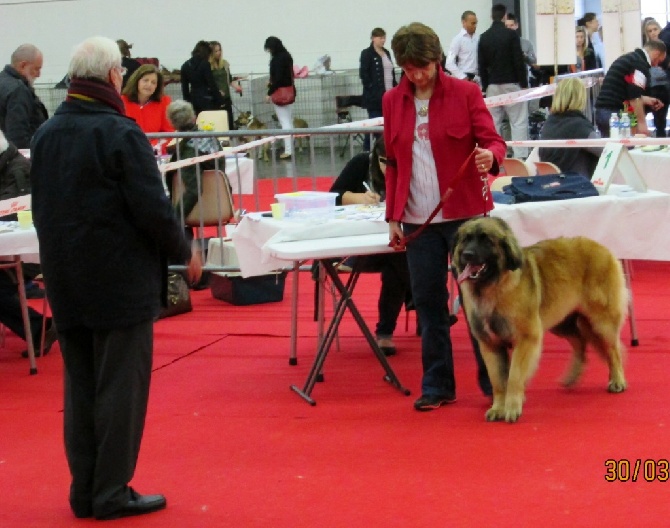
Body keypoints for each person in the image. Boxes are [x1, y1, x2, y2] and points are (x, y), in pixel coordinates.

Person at [29, 36, 202, 520]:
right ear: (111, 77)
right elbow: (153, 209)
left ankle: (84, 491)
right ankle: (110, 491)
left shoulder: (46, 134)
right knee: (120, 391)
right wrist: (182, 251)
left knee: (81, 387)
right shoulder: (120, 133)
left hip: (66, 280)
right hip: (118, 282)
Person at [383, 22, 506, 411]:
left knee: (477, 303)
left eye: (423, 66)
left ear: (438, 59)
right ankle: (437, 385)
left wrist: (491, 156)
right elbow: (392, 164)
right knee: (429, 305)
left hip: (466, 221)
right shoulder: (391, 102)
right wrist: (392, 216)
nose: (417, 75)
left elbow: (493, 140)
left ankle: (493, 384)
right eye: (408, 68)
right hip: (418, 222)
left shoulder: (466, 93)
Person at [328, 136, 410, 355]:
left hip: (396, 245)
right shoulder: (361, 163)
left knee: (399, 257)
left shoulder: (414, 167)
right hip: (359, 246)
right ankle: (419, 301)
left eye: (395, 163)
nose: (388, 169)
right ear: (375, 156)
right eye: (384, 162)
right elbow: (332, 197)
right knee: (403, 261)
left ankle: (385, 332)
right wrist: (356, 198)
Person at [478, 4, 529, 158]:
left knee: (493, 124)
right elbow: (518, 61)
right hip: (512, 84)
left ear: (491, 16)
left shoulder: (484, 37)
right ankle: (520, 158)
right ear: (505, 16)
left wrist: (486, 86)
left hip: (493, 85)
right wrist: (524, 83)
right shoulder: (511, 35)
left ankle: (496, 157)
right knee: (518, 122)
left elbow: (481, 65)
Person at [594, 40, 667, 138]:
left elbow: (626, 90)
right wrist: (642, 123)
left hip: (604, 112)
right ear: (656, 53)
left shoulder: (631, 58)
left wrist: (646, 100)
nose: (656, 65)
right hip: (614, 113)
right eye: (659, 61)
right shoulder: (639, 64)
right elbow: (634, 96)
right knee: (625, 149)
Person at [165, 99, 223, 221]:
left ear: (172, 124)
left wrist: (172, 222)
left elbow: (193, 190)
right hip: (221, 204)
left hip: (192, 212)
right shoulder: (211, 138)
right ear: (194, 117)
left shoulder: (188, 150)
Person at [539, 78, 603, 178]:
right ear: (579, 97)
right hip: (576, 184)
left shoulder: (549, 123)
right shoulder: (579, 126)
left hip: (549, 183)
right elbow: (605, 150)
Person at [0, 44, 48, 149]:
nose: (38, 74)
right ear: (23, 65)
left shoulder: (2, 81)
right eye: (36, 69)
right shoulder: (18, 90)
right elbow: (18, 135)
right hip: (20, 158)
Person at [121, 64, 174, 153]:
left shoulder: (164, 102)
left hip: (155, 153)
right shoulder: (122, 101)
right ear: (137, 81)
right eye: (145, 80)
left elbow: (169, 132)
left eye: (153, 82)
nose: (149, 85)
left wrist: (153, 145)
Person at [359, 28, 397, 150]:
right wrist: (371, 89)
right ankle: (367, 150)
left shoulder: (386, 52)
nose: (383, 40)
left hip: (389, 94)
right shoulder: (367, 53)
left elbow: (391, 72)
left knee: (387, 124)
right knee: (375, 124)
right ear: (373, 38)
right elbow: (364, 74)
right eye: (380, 38)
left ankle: (385, 149)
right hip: (375, 98)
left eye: (384, 38)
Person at [264, 36, 295, 160]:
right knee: (289, 121)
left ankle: (288, 150)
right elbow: (288, 76)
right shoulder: (287, 56)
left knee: (284, 122)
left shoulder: (276, 60)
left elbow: (277, 79)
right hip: (289, 92)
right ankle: (291, 147)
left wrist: (269, 92)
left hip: (279, 94)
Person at [181, 41, 225, 116]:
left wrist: (188, 103)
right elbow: (211, 84)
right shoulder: (205, 64)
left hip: (193, 100)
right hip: (207, 101)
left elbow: (185, 89)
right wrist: (220, 100)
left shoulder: (185, 66)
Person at [643, 19, 669, 138]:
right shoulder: (644, 51)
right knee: (659, 119)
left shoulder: (666, 46)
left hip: (666, 83)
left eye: (655, 29)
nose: (653, 33)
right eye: (650, 31)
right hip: (654, 87)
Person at [209, 41, 243, 132]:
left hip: (226, 97)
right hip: (215, 99)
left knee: (229, 123)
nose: (219, 53)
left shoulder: (224, 64)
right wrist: (217, 91)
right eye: (216, 51)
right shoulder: (208, 66)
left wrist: (236, 87)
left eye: (219, 50)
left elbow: (229, 79)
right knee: (219, 124)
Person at [445, 11, 480, 85]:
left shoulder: (478, 38)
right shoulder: (457, 40)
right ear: (464, 22)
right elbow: (449, 63)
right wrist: (463, 77)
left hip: (477, 79)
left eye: (476, 23)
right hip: (464, 77)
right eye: (472, 23)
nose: (475, 26)